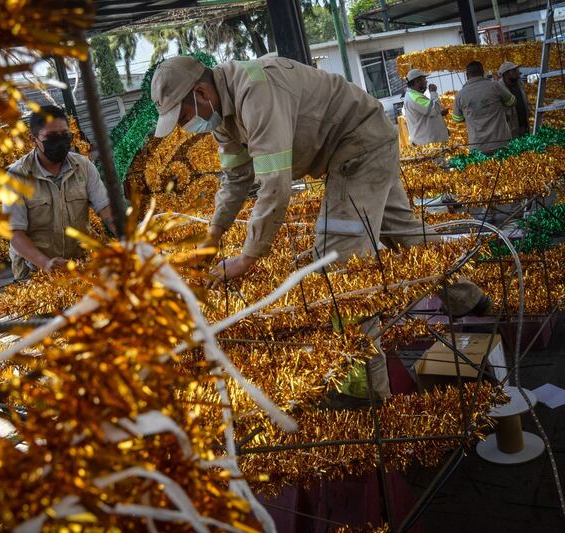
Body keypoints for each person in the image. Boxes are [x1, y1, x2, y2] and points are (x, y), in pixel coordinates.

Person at [151, 55, 490, 399]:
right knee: (404, 233)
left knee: (337, 263)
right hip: (358, 145)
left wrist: (247, 258)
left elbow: (274, 185)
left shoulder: (255, 91)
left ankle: (370, 396)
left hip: (359, 144)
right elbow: (237, 178)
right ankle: (471, 299)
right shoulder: (223, 117)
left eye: (184, 117)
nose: (186, 127)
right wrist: (211, 239)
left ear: (201, 92)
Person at [3, 105, 115, 280]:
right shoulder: (17, 177)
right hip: (34, 273)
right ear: (33, 140)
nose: (60, 142)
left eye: (64, 135)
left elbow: (106, 209)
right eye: (51, 137)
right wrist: (45, 263)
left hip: (77, 265)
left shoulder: (83, 167)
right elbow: (15, 233)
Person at [452, 61, 516, 153]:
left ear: (467, 75)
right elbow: (512, 101)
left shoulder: (460, 95)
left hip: (478, 146)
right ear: (483, 72)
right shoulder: (495, 86)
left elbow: (457, 119)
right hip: (501, 142)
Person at [402, 69, 449, 145]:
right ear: (417, 81)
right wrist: (433, 92)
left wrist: (439, 114)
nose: (426, 82)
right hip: (428, 143)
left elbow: (428, 113)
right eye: (424, 79)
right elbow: (435, 109)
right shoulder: (416, 98)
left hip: (428, 141)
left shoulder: (413, 95)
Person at [497, 61, 531, 139]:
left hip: (524, 125)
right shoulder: (499, 88)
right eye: (514, 70)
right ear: (506, 74)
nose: (517, 72)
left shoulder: (520, 83)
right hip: (510, 129)